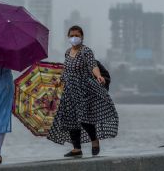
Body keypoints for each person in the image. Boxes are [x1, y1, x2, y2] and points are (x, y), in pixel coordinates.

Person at [47, 25, 119, 158]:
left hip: (83, 89)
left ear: (82, 37)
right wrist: (59, 81)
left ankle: (94, 140)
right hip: (69, 91)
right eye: (72, 35)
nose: (74, 38)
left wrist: (98, 76)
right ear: (68, 37)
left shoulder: (86, 51)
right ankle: (76, 148)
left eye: (77, 35)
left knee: (83, 117)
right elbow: (67, 70)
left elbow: (93, 65)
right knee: (70, 119)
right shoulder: (67, 52)